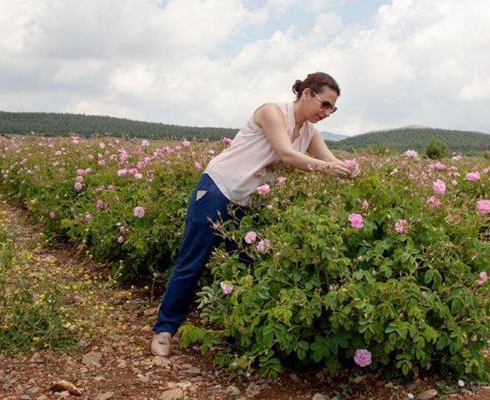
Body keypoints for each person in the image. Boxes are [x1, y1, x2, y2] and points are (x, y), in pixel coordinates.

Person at [151, 72, 358, 356]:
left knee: (244, 265)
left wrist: (347, 169)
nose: (326, 113)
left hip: (247, 204)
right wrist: (328, 168)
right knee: (193, 261)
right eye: (324, 104)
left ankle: (234, 334)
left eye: (331, 109)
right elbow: (286, 154)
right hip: (218, 189)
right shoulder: (272, 112)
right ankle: (164, 330)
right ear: (307, 93)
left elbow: (331, 161)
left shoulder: (310, 132)